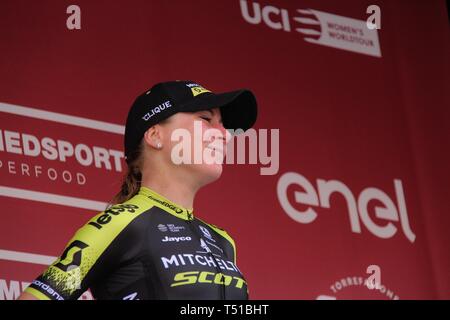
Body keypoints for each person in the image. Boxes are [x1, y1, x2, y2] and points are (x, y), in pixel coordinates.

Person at [18, 80, 257, 300]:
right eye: (206, 119)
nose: (225, 135)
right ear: (155, 135)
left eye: (224, 125)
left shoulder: (224, 242)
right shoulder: (121, 224)